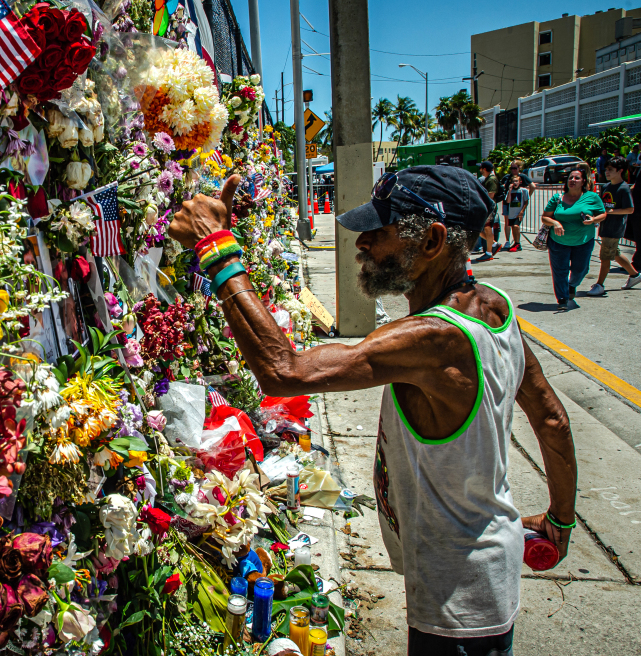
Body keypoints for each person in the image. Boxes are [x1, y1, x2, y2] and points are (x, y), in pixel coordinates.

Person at [170, 166, 576, 656]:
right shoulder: (495, 306)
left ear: (433, 241)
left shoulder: (434, 339)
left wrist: (217, 249)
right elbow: (551, 418)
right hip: (485, 562)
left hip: (459, 599)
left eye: (379, 231)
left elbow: (284, 371)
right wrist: (561, 520)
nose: (362, 243)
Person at [541, 165, 606, 310]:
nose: (573, 180)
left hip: (583, 241)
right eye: (570, 177)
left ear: (583, 181)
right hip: (558, 242)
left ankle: (572, 285)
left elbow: (603, 214)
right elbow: (545, 217)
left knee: (580, 269)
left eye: (577, 178)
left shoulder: (592, 197)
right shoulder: (557, 198)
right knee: (560, 271)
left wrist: (593, 220)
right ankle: (562, 299)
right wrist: (555, 223)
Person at [590, 157, 641, 295]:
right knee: (615, 253)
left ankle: (599, 285)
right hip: (605, 226)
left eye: (610, 170)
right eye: (606, 169)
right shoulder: (606, 187)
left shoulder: (624, 188)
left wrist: (612, 212)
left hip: (615, 228)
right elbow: (601, 206)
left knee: (605, 257)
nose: (607, 172)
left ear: (620, 171)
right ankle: (635, 275)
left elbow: (630, 209)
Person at [502, 175, 528, 253]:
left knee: (516, 226)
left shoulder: (524, 191)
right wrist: (509, 191)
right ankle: (515, 243)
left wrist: (522, 211)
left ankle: (518, 243)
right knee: (513, 227)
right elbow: (508, 201)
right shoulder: (510, 191)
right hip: (511, 213)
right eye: (514, 181)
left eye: (516, 181)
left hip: (518, 212)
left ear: (520, 182)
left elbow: (526, 202)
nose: (515, 183)